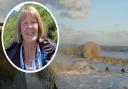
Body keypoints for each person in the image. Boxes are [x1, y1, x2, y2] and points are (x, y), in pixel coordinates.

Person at [6, 6, 56, 71]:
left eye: (33, 22)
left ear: (39, 27)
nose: (29, 26)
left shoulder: (53, 52)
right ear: (20, 30)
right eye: (25, 23)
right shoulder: (8, 56)